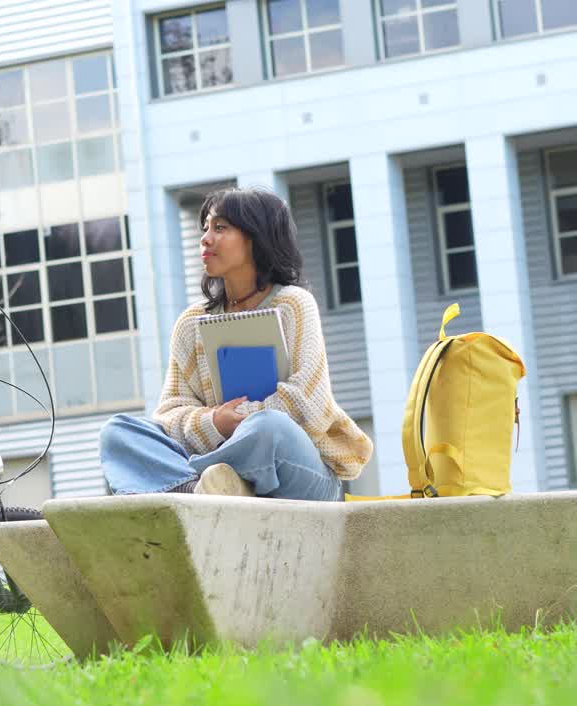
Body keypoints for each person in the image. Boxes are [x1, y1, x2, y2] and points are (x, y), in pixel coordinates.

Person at [99, 187, 373, 500]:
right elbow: (169, 415)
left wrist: (238, 421)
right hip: (216, 468)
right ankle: (202, 487)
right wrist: (214, 422)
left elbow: (309, 404)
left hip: (299, 472)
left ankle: (198, 482)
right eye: (205, 229)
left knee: (269, 427)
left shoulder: (293, 305)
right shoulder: (191, 323)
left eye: (220, 228)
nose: (205, 239)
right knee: (118, 432)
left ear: (256, 237)